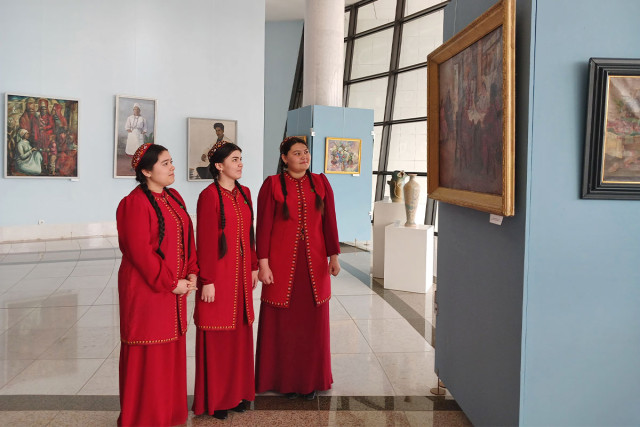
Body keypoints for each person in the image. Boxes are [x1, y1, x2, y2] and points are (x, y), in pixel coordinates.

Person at [116, 143, 198, 426]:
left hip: (173, 290)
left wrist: (192, 271)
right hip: (146, 293)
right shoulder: (133, 203)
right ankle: (144, 419)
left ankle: (168, 415)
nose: (172, 167)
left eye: (171, 161)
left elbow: (188, 238)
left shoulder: (174, 197)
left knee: (170, 351)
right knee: (149, 353)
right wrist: (170, 283)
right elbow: (140, 252)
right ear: (147, 171)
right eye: (165, 163)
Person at [255, 136, 341, 400]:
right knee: (283, 324)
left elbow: (329, 222)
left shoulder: (321, 183)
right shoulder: (271, 185)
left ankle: (311, 380)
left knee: (312, 325)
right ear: (284, 158)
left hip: (314, 264)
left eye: (306, 152)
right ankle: (282, 380)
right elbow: (264, 227)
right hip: (281, 266)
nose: (304, 157)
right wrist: (263, 264)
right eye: (297, 153)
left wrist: (334, 256)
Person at [192, 141, 258, 420]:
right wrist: (207, 279)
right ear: (219, 166)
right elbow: (206, 241)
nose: (240, 164)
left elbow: (250, 234)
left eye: (241, 158)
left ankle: (237, 394)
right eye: (234, 159)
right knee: (217, 336)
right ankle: (217, 399)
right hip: (219, 275)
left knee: (239, 337)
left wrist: (253, 266)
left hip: (241, 276)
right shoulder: (208, 196)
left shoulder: (245, 192)